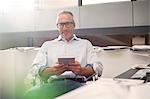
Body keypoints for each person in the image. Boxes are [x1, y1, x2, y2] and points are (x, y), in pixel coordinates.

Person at [24, 10, 103, 99]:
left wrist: (81, 70)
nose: (64, 28)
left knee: (99, 95)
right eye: (61, 25)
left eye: (68, 24)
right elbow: (35, 69)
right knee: (29, 95)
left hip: (79, 84)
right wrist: (53, 70)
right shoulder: (47, 45)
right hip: (54, 85)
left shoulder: (85, 44)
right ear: (57, 26)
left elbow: (98, 68)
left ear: (74, 25)